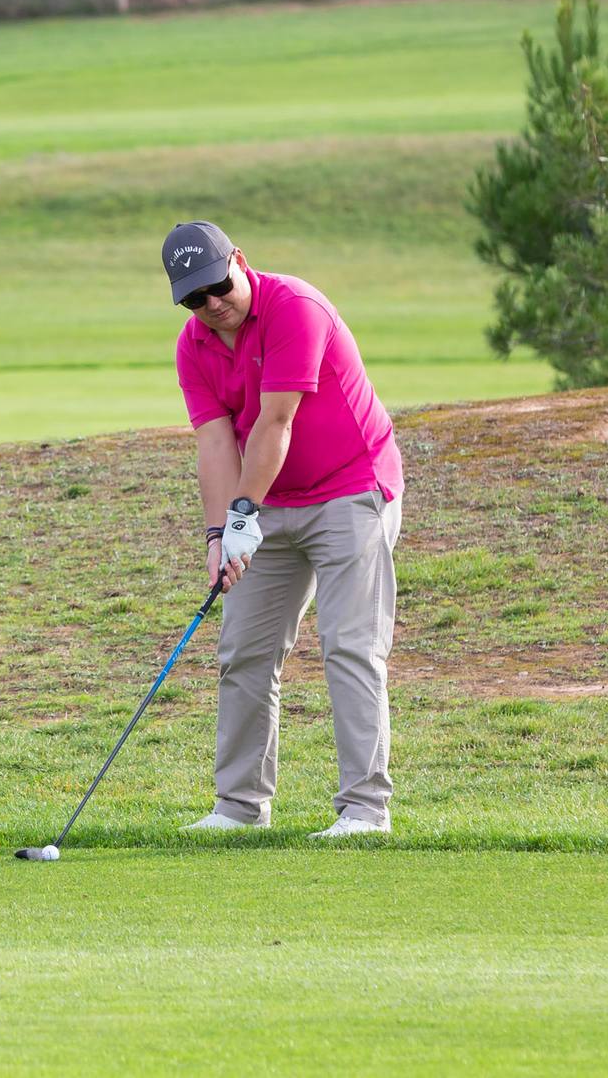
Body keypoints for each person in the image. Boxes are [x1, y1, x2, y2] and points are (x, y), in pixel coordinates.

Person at [163, 220, 405, 839]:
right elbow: (216, 444)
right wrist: (218, 538)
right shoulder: (194, 347)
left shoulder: (294, 307)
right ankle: (239, 809)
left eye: (218, 285)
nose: (212, 304)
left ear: (240, 261)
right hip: (268, 503)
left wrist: (243, 516)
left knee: (349, 646)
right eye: (194, 297)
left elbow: (275, 423)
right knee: (244, 651)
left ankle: (364, 811)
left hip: (352, 491)